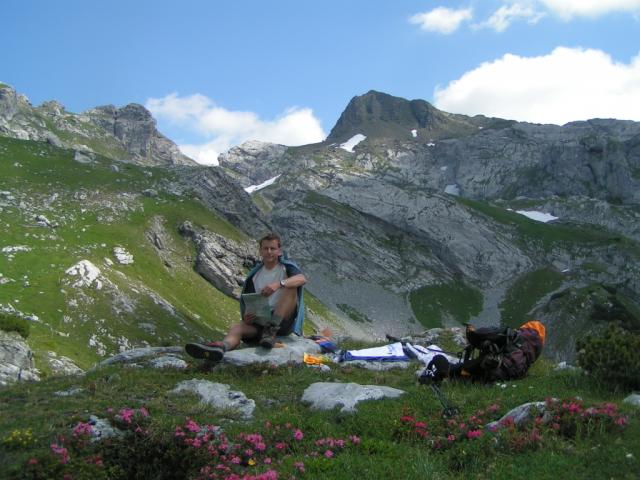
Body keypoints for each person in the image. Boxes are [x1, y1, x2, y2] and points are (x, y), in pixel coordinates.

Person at [185, 232, 307, 362]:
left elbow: (302, 279)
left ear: (279, 251)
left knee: (290, 287)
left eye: (273, 248)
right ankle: (221, 348)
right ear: (260, 251)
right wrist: (248, 317)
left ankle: (271, 330)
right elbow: (251, 301)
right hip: (261, 324)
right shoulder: (254, 276)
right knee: (236, 328)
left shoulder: (286, 268)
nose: (269, 252)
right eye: (265, 248)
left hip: (282, 323)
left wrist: (278, 284)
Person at [423, 320, 546, 383]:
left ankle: (431, 378)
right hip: (504, 378)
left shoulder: (513, 335)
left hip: (487, 372)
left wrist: (472, 332)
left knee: (440, 360)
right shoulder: (530, 354)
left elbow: (484, 333)